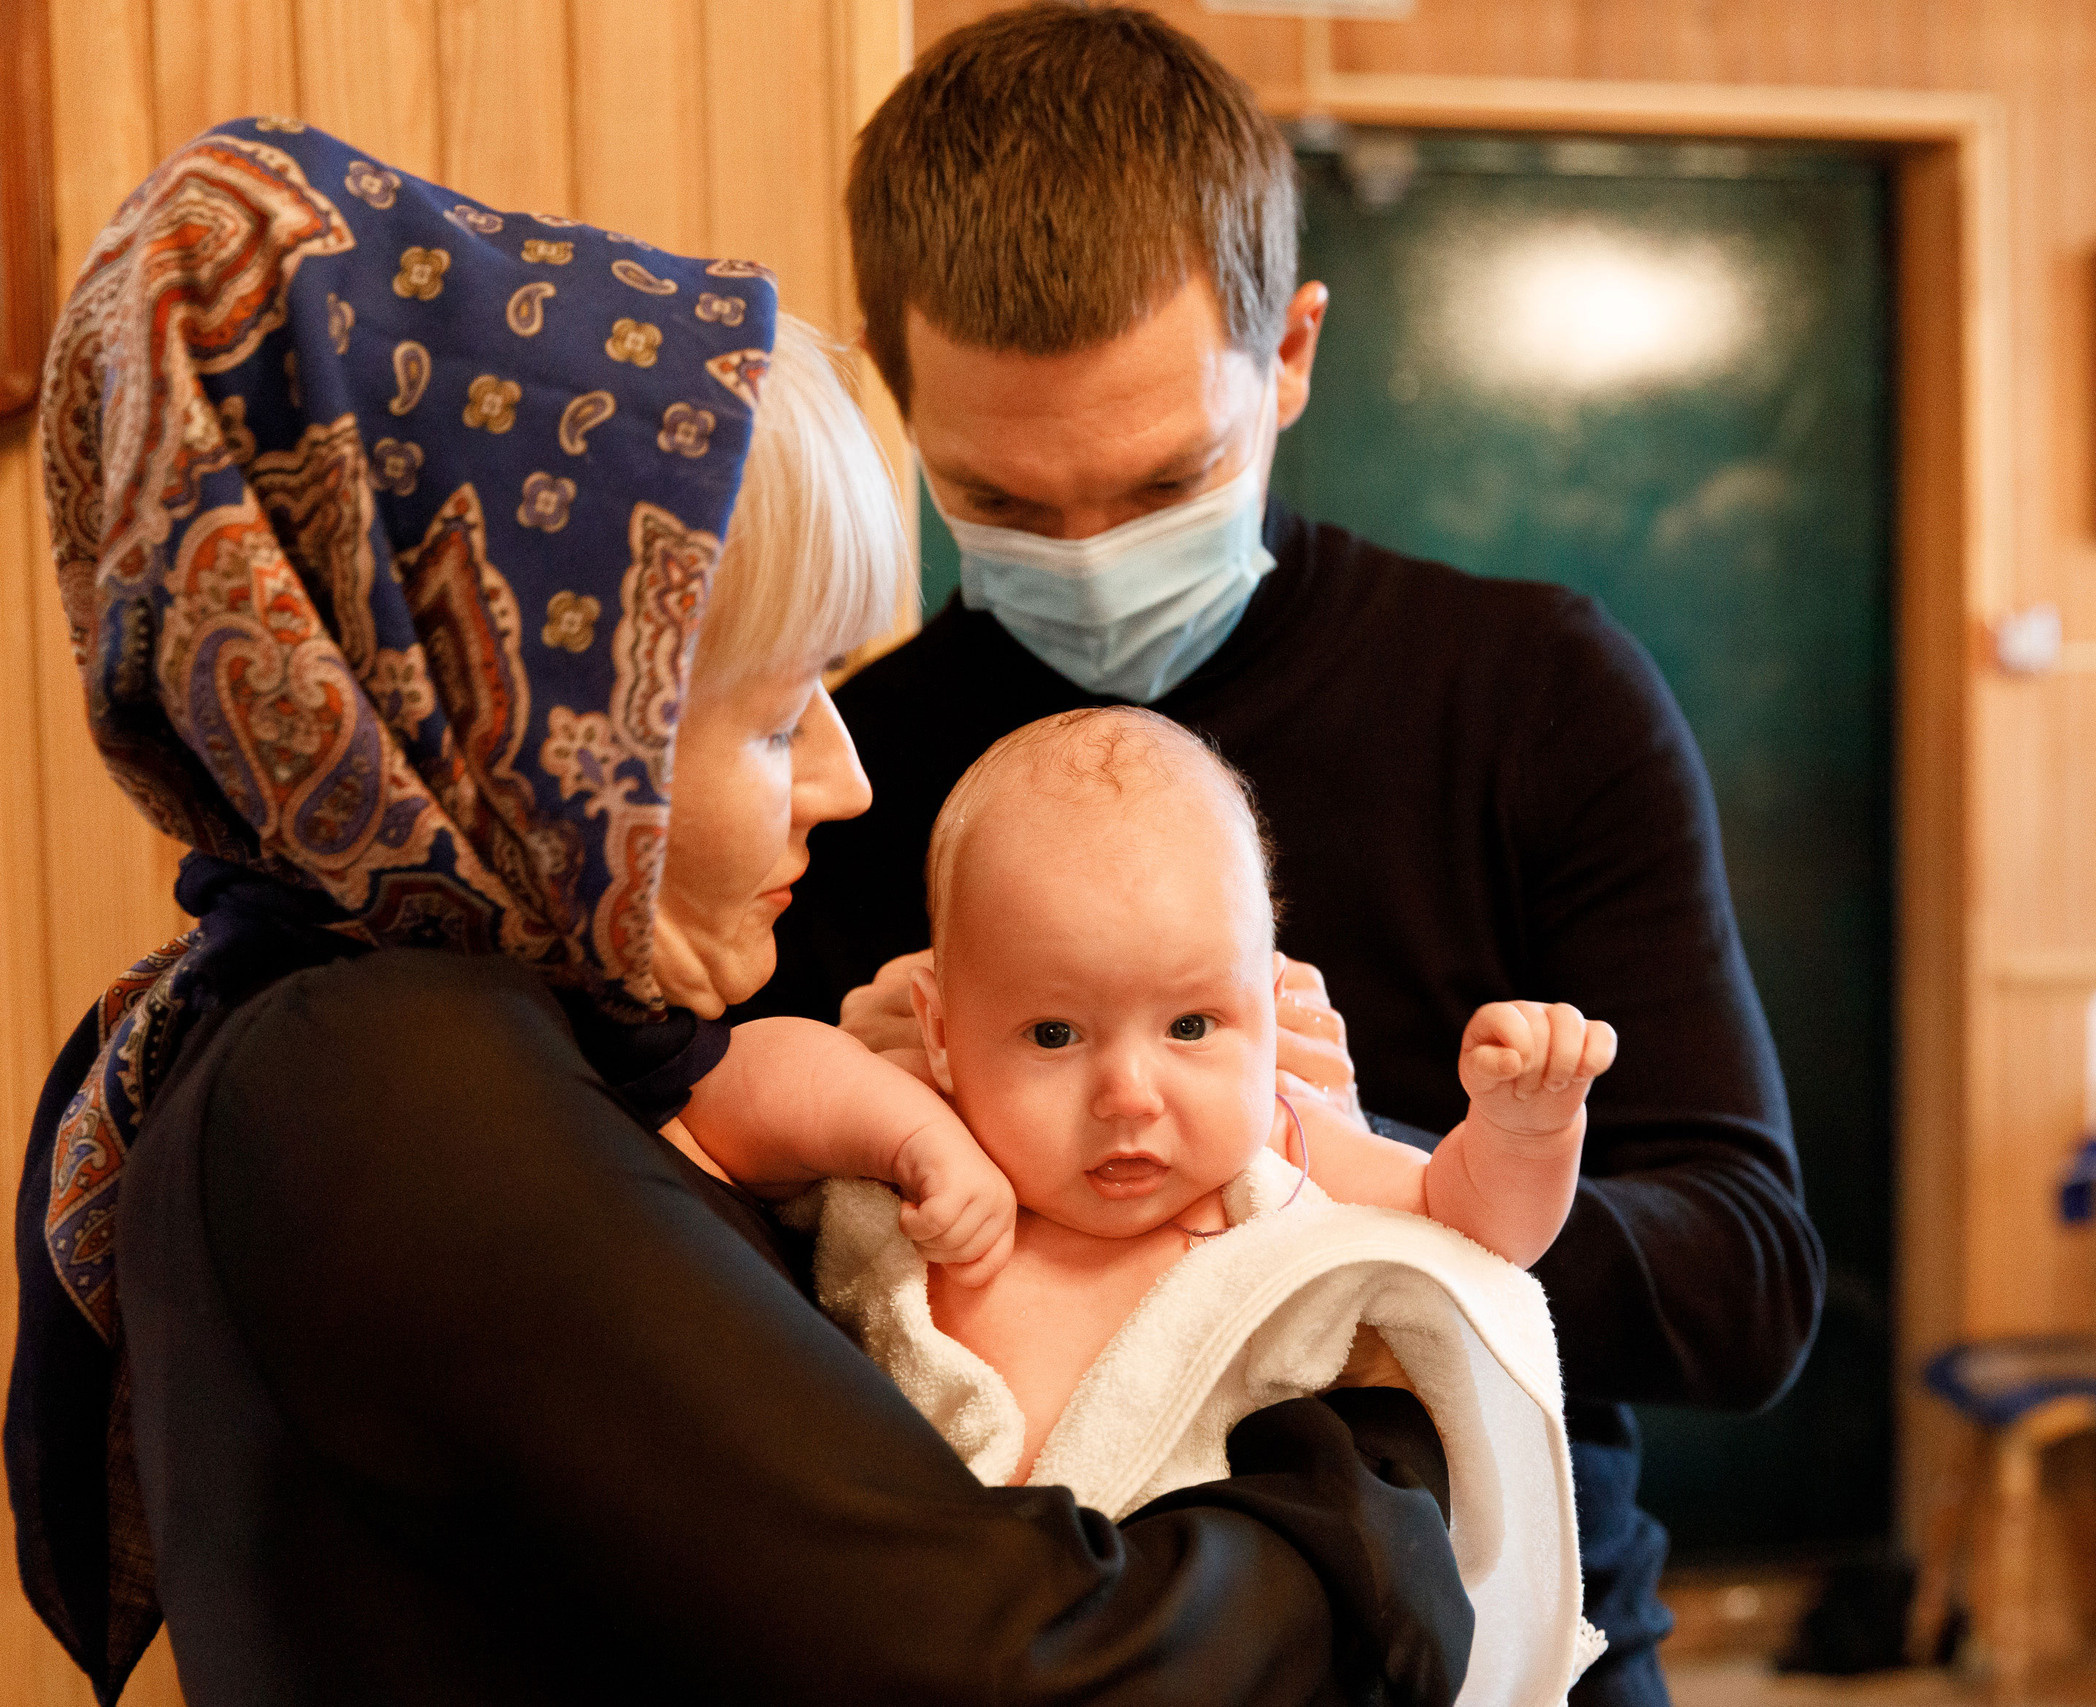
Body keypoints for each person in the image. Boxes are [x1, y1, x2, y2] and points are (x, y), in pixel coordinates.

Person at [6, 119, 1471, 1706]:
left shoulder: (448, 1038)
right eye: (775, 719)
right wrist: (1376, 1419)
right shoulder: (389, 1079)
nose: (840, 784)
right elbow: (1021, 1660)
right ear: (531, 720)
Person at [742, 9, 1828, 1701]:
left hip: (1501, 1640)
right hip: (1035, 1645)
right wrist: (836, 1138)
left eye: (1166, 480)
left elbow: (1747, 1284)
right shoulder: (827, 768)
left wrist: (1352, 1176)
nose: (1090, 559)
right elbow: (724, 1295)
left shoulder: (1535, 695)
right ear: (903, 395)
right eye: (1008, 504)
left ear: (1295, 349)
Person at [682, 706, 1615, 1477]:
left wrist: (1526, 1128)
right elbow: (717, 1093)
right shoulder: (926, 1123)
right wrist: (916, 1136)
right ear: (940, 1028)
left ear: (1269, 997)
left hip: (1202, 1614)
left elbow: (1476, 1230)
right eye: (1054, 1034)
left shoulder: (1278, 1155)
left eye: (1193, 1026)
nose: (1129, 1094)